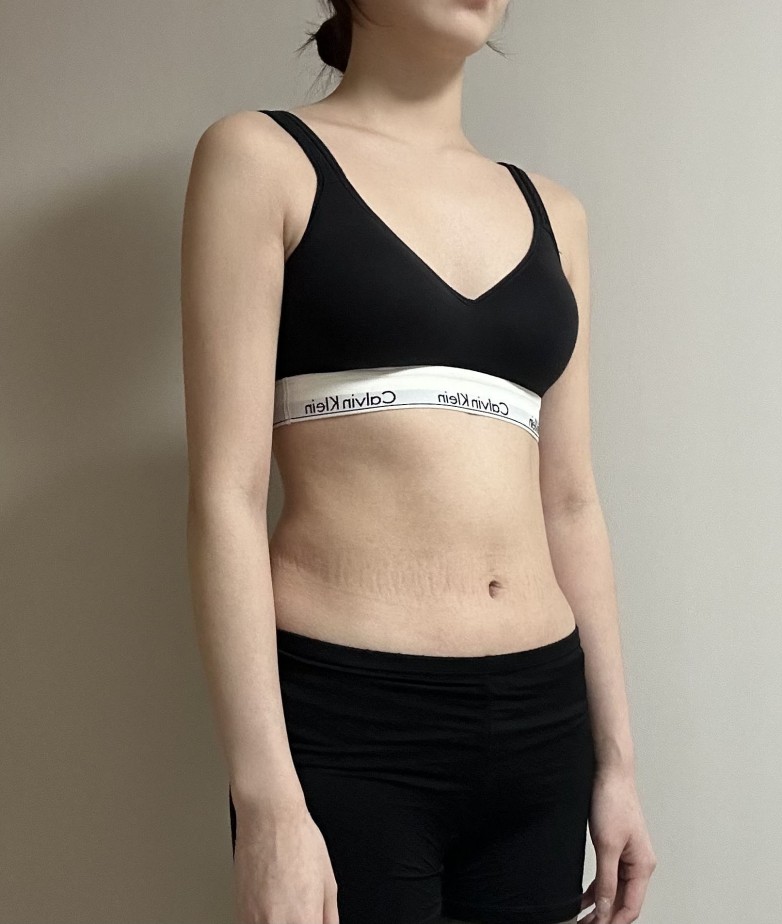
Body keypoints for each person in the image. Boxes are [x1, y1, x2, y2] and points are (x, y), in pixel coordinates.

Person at [180, 1, 657, 922]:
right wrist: (267, 801)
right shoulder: (262, 158)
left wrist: (619, 767)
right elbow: (226, 497)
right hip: (352, 724)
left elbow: (569, 502)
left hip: (543, 723)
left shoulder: (554, 212)